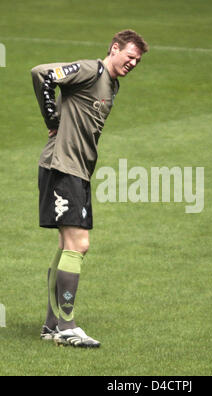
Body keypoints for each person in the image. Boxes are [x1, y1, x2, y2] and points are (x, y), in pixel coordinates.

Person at [31, 30, 149, 348]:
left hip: (78, 172)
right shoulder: (90, 70)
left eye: (138, 60)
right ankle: (67, 326)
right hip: (61, 167)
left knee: (67, 245)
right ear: (114, 49)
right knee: (78, 244)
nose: (134, 62)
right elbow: (42, 74)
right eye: (130, 55)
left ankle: (51, 325)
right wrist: (51, 119)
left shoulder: (112, 85)